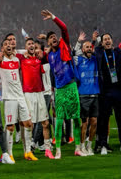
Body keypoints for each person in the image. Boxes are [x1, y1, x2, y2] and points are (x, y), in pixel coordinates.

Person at [41, 9, 84, 159]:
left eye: (55, 36)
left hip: (71, 86)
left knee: (76, 118)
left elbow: (64, 28)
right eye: (50, 37)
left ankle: (78, 148)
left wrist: (52, 17)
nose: (54, 38)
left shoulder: (64, 46)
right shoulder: (49, 55)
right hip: (59, 91)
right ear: (47, 42)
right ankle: (57, 150)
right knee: (59, 120)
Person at [0, 39, 35, 162]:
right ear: (2, 48)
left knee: (28, 124)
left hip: (20, 96)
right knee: (10, 127)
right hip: (9, 98)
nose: (9, 46)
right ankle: (10, 154)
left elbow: (25, 52)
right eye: (5, 45)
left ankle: (28, 152)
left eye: (10, 44)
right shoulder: (0, 60)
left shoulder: (17, 60)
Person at [17, 38, 54, 159]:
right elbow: (9, 52)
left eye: (33, 44)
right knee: (29, 124)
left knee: (45, 122)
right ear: (26, 47)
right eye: (29, 44)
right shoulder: (22, 58)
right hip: (28, 94)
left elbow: (48, 55)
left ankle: (48, 149)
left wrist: (43, 52)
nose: (31, 45)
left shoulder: (40, 59)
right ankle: (28, 150)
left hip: (40, 93)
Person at [74, 31, 100, 156]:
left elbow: (99, 49)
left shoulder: (95, 59)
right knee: (84, 122)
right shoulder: (78, 60)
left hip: (95, 94)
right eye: (86, 47)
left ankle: (90, 146)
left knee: (94, 121)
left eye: (90, 47)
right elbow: (74, 52)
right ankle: (81, 146)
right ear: (83, 49)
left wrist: (94, 41)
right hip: (83, 95)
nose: (89, 49)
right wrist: (79, 42)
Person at [94, 33, 121, 154]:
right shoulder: (100, 53)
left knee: (120, 119)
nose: (107, 41)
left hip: (118, 90)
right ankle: (104, 144)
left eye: (109, 39)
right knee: (104, 120)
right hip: (105, 92)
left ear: (112, 40)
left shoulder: (117, 53)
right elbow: (95, 48)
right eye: (105, 40)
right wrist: (97, 40)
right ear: (102, 43)